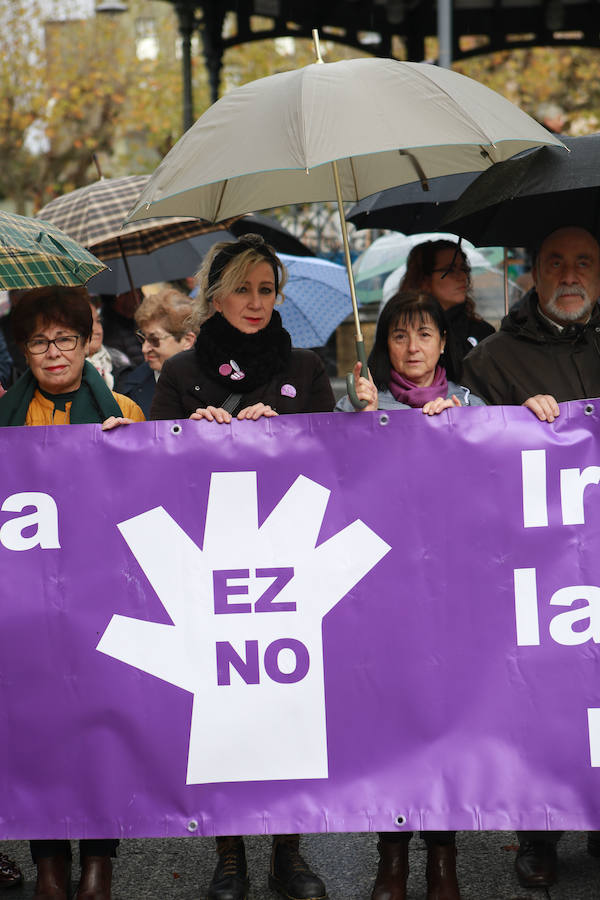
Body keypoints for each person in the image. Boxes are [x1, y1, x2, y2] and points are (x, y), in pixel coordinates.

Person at [151, 234, 333, 900]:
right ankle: (229, 853)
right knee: (223, 708)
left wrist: (290, 431)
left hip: (287, 569)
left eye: (267, 289)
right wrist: (187, 439)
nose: (255, 302)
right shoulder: (179, 374)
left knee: (285, 706)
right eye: (243, 288)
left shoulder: (307, 369)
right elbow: (151, 475)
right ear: (214, 293)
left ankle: (289, 850)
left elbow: (336, 467)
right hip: (210, 567)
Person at [461, 225, 600, 889]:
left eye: (585, 262)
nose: (570, 274)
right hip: (536, 562)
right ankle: (539, 832)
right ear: (532, 273)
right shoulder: (492, 360)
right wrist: (518, 419)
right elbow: (468, 455)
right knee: (545, 693)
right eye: (556, 263)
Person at [337, 291, 483, 900]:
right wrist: (363, 422)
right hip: (381, 590)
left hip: (452, 590)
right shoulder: (360, 400)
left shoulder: (473, 405)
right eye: (400, 335)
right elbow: (337, 478)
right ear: (385, 343)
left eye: (425, 334)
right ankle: (390, 856)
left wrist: (467, 430)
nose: (413, 346)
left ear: (444, 342)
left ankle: (443, 858)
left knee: (445, 719)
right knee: (391, 722)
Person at [0, 286, 144, 900]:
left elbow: (158, 502)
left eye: (65, 338)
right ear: (23, 351)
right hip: (29, 609)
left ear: (89, 342)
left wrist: (125, 451)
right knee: (40, 731)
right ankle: (50, 862)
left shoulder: (127, 409)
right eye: (39, 341)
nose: (53, 352)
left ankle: (98, 863)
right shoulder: (5, 418)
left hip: (101, 604)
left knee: (98, 731)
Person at [399, 240, 494, 383]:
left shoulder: (483, 333)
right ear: (424, 279)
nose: (461, 277)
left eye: (463, 269)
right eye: (450, 270)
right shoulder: (399, 328)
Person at [117, 287, 203, 417]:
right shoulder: (130, 389)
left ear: (187, 341)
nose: (144, 349)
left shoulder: (217, 381)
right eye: (142, 338)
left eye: (154, 339)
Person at [87, 296, 130, 389]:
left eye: (98, 321)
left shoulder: (120, 361)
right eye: (88, 323)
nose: (97, 330)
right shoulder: (65, 372)